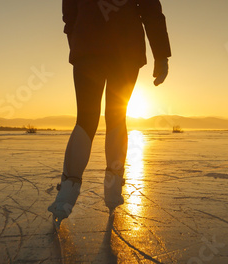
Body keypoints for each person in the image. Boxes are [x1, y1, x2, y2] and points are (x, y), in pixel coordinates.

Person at [48, 0, 171, 228]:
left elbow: (69, 12)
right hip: (124, 46)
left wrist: (77, 39)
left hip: (89, 44)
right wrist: (161, 54)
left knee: (86, 119)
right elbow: (150, 9)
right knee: (116, 117)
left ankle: (67, 192)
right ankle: (113, 188)